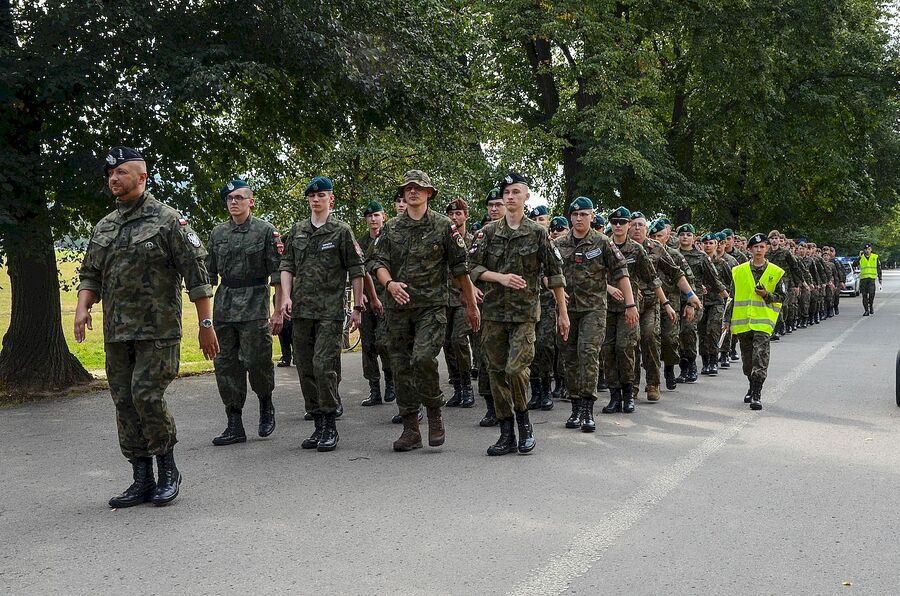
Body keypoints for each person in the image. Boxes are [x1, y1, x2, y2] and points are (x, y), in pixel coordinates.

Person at [75, 147, 218, 508]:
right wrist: (82, 308)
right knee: (124, 401)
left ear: (142, 177)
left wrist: (206, 324)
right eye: (110, 173)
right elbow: (91, 273)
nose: (113, 178)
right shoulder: (104, 225)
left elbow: (197, 277)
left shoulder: (168, 221)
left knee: (146, 396)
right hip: (117, 332)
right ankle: (141, 478)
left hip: (158, 331)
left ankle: (168, 470)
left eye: (121, 172)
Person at [370, 170, 480, 452]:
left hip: (432, 307)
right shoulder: (391, 227)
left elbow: (460, 270)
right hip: (399, 308)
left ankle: (434, 412)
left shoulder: (444, 227)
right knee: (401, 366)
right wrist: (390, 283)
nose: (413, 192)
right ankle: (411, 428)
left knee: (422, 358)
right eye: (408, 188)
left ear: (429, 193)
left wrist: (471, 306)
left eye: (418, 188)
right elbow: (377, 262)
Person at [469, 172, 568, 455]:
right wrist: (498, 278)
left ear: (526, 196)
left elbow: (555, 274)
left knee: (515, 370)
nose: (510, 197)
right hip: (494, 315)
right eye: (506, 192)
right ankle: (506, 433)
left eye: (516, 192)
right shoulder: (487, 233)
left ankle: (525, 425)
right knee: (497, 374)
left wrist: (563, 313)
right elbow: (472, 268)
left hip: (525, 314)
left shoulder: (537, 233)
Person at [279, 176, 366, 453]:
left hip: (329, 311)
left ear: (331, 199)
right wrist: (286, 297)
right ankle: (317, 423)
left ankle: (330, 424)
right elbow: (287, 265)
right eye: (312, 196)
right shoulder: (298, 230)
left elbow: (356, 269)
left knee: (323, 366)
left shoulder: (340, 231)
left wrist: (357, 308)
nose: (316, 200)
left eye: (321, 196)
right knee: (304, 368)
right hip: (301, 311)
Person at [206, 179, 283, 446]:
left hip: (254, 305)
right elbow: (209, 274)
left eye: (239, 198)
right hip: (225, 306)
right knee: (225, 365)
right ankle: (234, 423)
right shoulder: (218, 233)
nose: (234, 202)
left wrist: (278, 310)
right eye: (230, 199)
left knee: (257, 362)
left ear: (251, 201)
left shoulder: (265, 231)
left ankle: (266, 405)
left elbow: (277, 274)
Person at [555, 197, 630, 431]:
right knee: (570, 357)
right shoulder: (559, 244)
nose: (579, 218)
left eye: (584, 214)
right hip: (567, 310)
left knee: (588, 354)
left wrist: (630, 305)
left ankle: (588, 409)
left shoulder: (603, 242)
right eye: (575, 215)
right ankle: (576, 408)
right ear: (570, 217)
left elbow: (620, 272)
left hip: (594, 309)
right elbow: (547, 273)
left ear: (592, 216)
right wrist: (555, 295)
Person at [630, 213, 699, 400]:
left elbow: (677, 273)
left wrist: (691, 297)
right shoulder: (617, 247)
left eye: (641, 225)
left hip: (655, 302)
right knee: (630, 343)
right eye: (633, 224)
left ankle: (654, 382)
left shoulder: (657, 249)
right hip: (628, 305)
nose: (637, 229)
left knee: (652, 337)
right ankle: (631, 386)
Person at [724, 234, 787, 410]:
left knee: (760, 358)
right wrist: (726, 320)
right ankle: (751, 385)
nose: (759, 250)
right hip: (743, 323)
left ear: (766, 248)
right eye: (755, 247)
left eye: (762, 247)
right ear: (749, 249)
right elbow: (732, 297)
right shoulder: (739, 271)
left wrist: (767, 295)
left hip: (763, 324)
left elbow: (782, 297)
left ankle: (757, 393)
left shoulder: (776, 272)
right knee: (748, 362)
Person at [601, 206, 652, 414]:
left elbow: (650, 277)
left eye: (623, 222)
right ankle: (614, 396)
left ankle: (628, 393)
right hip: (604, 305)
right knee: (608, 350)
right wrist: (609, 287)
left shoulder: (636, 250)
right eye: (615, 222)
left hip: (628, 308)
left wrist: (663, 302)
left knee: (625, 348)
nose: (618, 226)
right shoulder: (602, 245)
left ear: (629, 225)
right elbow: (592, 274)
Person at [676, 224, 727, 383]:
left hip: (695, 301)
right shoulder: (672, 254)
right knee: (676, 336)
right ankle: (683, 366)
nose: (685, 237)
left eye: (688, 234)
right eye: (682, 234)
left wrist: (726, 296)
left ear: (693, 237)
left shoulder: (701, 256)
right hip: (675, 300)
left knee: (689, 330)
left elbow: (714, 278)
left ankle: (692, 364)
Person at [357, 200, 395, 407]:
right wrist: (360, 295)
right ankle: (374, 389)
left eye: (376, 215)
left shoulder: (390, 239)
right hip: (365, 301)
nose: (373, 219)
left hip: (386, 299)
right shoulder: (360, 243)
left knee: (384, 343)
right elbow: (356, 270)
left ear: (384, 217)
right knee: (368, 345)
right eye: (369, 216)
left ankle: (390, 381)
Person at [474, 187, 505, 426]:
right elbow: (471, 267)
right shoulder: (484, 234)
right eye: (490, 206)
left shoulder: (529, 231)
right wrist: (472, 287)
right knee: (488, 359)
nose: (494, 209)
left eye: (498, 204)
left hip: (519, 309)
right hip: (489, 306)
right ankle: (491, 407)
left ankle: (512, 406)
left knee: (514, 364)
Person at [444, 198, 476, 408]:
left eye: (458, 214)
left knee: (458, 340)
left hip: (464, 298)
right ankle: (457, 387)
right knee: (447, 344)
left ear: (466, 216)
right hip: (444, 298)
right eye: (451, 215)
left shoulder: (474, 241)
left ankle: (467, 387)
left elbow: (475, 268)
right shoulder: (444, 239)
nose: (454, 218)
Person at [527, 204, 556, 411]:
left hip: (547, 302)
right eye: (535, 220)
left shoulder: (554, 246)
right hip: (527, 302)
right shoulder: (526, 244)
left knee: (545, 345)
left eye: (542, 220)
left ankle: (546, 390)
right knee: (530, 348)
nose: (539, 223)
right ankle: (534, 390)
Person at [859, 243, 882, 315]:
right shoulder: (861, 257)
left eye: (869, 249)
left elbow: (879, 268)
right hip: (863, 279)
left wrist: (880, 278)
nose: (867, 251)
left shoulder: (875, 257)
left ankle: (871, 305)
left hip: (872, 279)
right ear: (864, 250)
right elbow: (854, 264)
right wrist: (859, 257)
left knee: (872, 294)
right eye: (866, 249)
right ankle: (866, 310)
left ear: (871, 249)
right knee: (864, 295)